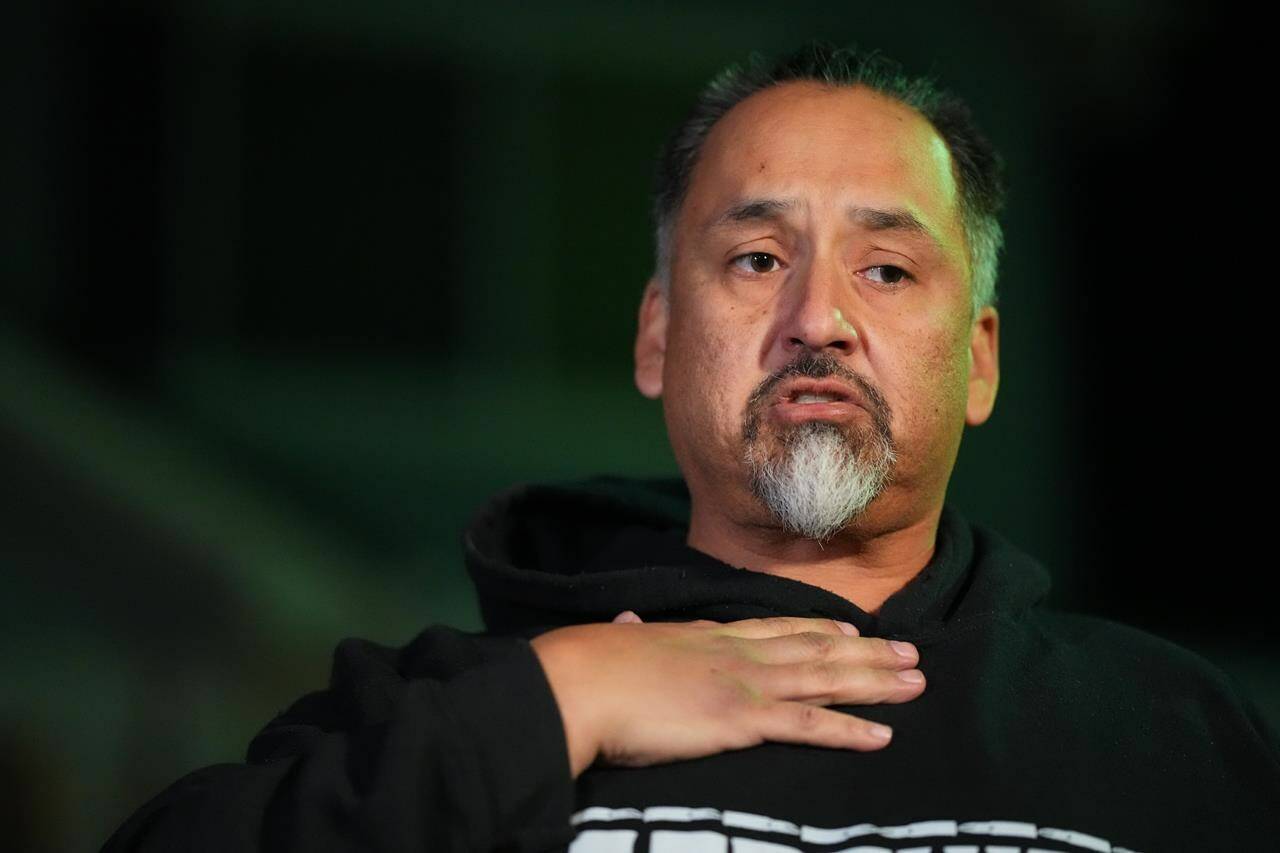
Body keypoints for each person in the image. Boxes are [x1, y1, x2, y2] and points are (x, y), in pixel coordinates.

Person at [102, 42, 1279, 853]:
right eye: (757, 259)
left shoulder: (1166, 730)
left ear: (977, 359)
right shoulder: (460, 702)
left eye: (884, 268)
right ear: (658, 335)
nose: (817, 317)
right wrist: (556, 699)